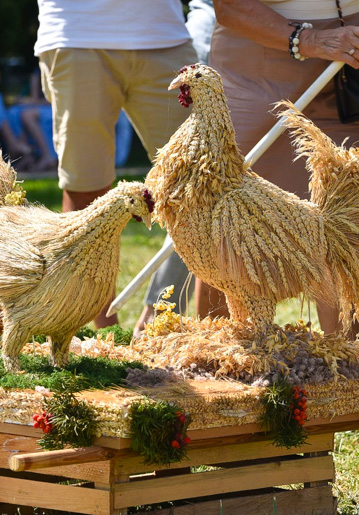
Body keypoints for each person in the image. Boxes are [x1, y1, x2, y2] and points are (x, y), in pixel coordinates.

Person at [193, 0, 359, 330]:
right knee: (229, 218)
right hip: (257, 60)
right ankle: (222, 361)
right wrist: (309, 41)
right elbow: (230, 6)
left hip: (355, 47)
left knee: (356, 224)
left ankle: (357, 367)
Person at [34, 0, 198, 328]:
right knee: (87, 194)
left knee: (197, 185)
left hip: (164, 37)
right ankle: (105, 336)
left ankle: (161, 317)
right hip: (77, 34)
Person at [135, 0, 215, 337]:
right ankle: (162, 313)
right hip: (219, 41)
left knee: (201, 191)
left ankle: (171, 316)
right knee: (196, 188)